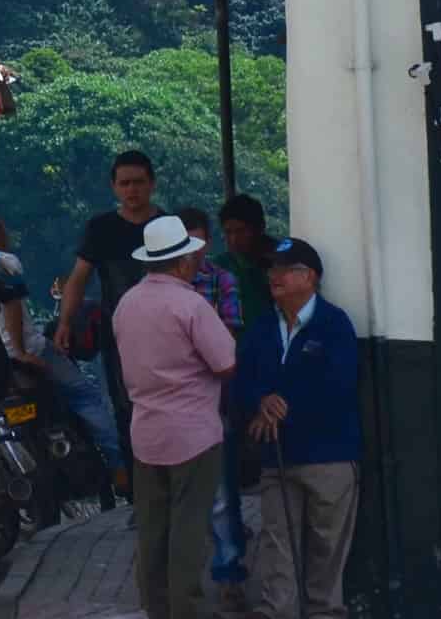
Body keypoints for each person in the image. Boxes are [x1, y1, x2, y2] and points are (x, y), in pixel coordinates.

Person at [0, 215, 124, 499]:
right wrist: (22, 352)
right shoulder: (3, 260)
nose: (7, 237)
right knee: (85, 395)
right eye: (3, 231)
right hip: (21, 353)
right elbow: (12, 304)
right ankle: (119, 468)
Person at [113, 214, 237, 619]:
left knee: (152, 530)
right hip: (193, 435)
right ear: (183, 262)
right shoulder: (191, 304)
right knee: (188, 529)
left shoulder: (126, 305)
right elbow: (225, 363)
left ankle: (156, 608)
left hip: (146, 433)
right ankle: (186, 610)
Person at [233, 238, 361, 619]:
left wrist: (278, 410)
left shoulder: (333, 323)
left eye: (283, 269)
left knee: (327, 549)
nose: (273, 276)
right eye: (270, 268)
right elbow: (241, 378)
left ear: (309, 277)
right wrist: (260, 400)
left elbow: (338, 385)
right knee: (277, 544)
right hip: (277, 456)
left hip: (330, 456)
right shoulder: (261, 327)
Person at [56, 148, 162, 473]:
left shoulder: (167, 226)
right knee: (127, 410)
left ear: (152, 184)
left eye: (139, 183)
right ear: (114, 187)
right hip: (121, 338)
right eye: (125, 183)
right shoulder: (100, 229)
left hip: (166, 334)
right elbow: (78, 280)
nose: (132, 190)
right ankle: (140, 493)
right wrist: (65, 323)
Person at [179, 207, 246, 610]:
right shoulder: (155, 287)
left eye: (198, 241)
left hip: (212, 397)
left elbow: (231, 334)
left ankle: (229, 572)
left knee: (221, 493)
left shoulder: (221, 281)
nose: (193, 251)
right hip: (173, 404)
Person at [212, 195, 275, 333]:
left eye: (241, 231)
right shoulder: (219, 266)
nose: (234, 239)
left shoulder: (279, 261)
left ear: (260, 228)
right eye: (228, 232)